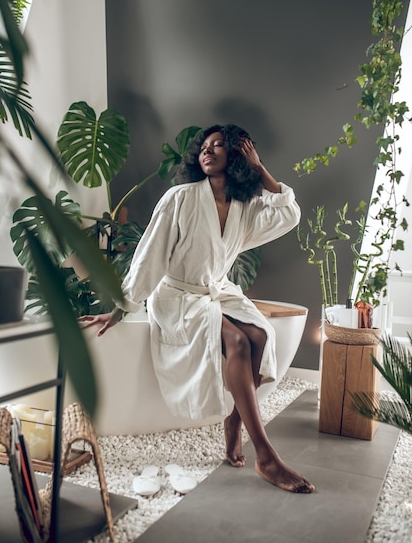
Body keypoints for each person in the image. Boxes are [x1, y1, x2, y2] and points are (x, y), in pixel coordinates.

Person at [81, 124, 314, 494]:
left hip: (216, 292)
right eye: (204, 146)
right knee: (237, 342)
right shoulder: (181, 198)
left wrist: (260, 169)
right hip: (177, 297)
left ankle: (234, 423)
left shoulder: (245, 207)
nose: (207, 150)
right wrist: (120, 308)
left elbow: (289, 214)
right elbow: (149, 257)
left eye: (219, 145)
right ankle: (266, 454)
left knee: (259, 334)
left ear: (237, 156)